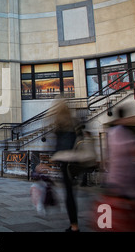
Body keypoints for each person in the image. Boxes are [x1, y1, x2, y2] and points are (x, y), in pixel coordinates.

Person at [49, 97, 79, 232]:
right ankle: (74, 224)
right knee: (73, 193)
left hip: (66, 162)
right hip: (77, 161)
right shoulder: (74, 122)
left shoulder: (59, 123)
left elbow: (58, 145)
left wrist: (54, 157)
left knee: (69, 194)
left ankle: (74, 225)